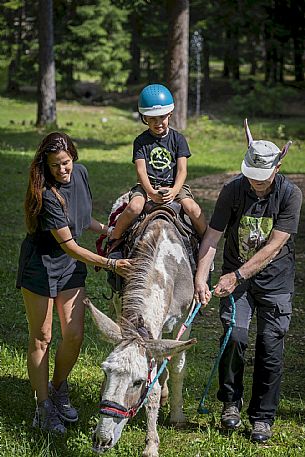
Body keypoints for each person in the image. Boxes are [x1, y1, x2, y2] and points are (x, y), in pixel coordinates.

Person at [194, 119, 302, 443]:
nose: (255, 183)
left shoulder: (290, 194)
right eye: (250, 176)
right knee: (234, 336)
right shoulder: (232, 190)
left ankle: (262, 417)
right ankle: (230, 402)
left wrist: (236, 275)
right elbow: (212, 236)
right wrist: (201, 276)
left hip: (275, 282)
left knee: (270, 347)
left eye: (262, 177)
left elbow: (274, 245)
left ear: (278, 165)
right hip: (236, 281)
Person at [16, 132, 131, 433]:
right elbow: (70, 245)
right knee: (42, 337)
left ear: (73, 158)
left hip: (69, 267)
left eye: (65, 163)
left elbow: (83, 218)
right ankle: (43, 407)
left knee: (74, 334)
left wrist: (110, 230)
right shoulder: (46, 194)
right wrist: (111, 263)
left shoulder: (81, 174)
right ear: (46, 165)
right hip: (41, 265)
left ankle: (57, 388)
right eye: (55, 166)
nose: (62, 170)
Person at [109, 84, 207, 243]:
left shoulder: (179, 139)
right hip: (147, 186)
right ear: (144, 118)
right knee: (134, 207)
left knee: (193, 209)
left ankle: (206, 243)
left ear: (170, 114)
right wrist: (151, 193)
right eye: (152, 118)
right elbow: (141, 171)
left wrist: (174, 191)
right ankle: (114, 240)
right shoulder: (140, 142)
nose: (158, 122)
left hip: (174, 185)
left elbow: (182, 171)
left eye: (162, 117)